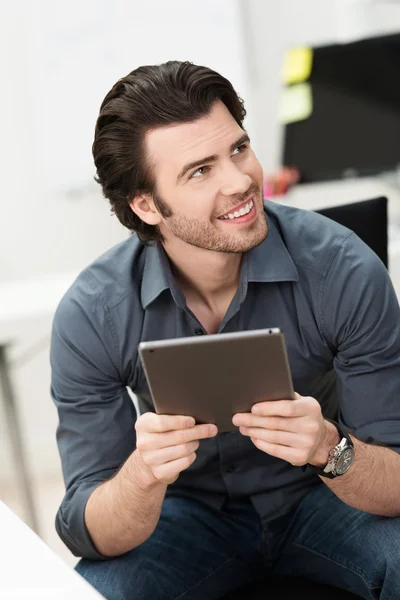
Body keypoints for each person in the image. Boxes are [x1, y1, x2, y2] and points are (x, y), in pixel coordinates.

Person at [50, 61, 400, 600]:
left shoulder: (343, 269)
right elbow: (87, 528)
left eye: (238, 149)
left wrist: (331, 448)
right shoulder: (94, 313)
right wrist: (142, 476)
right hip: (186, 519)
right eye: (200, 170)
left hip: (326, 500)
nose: (241, 180)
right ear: (146, 205)